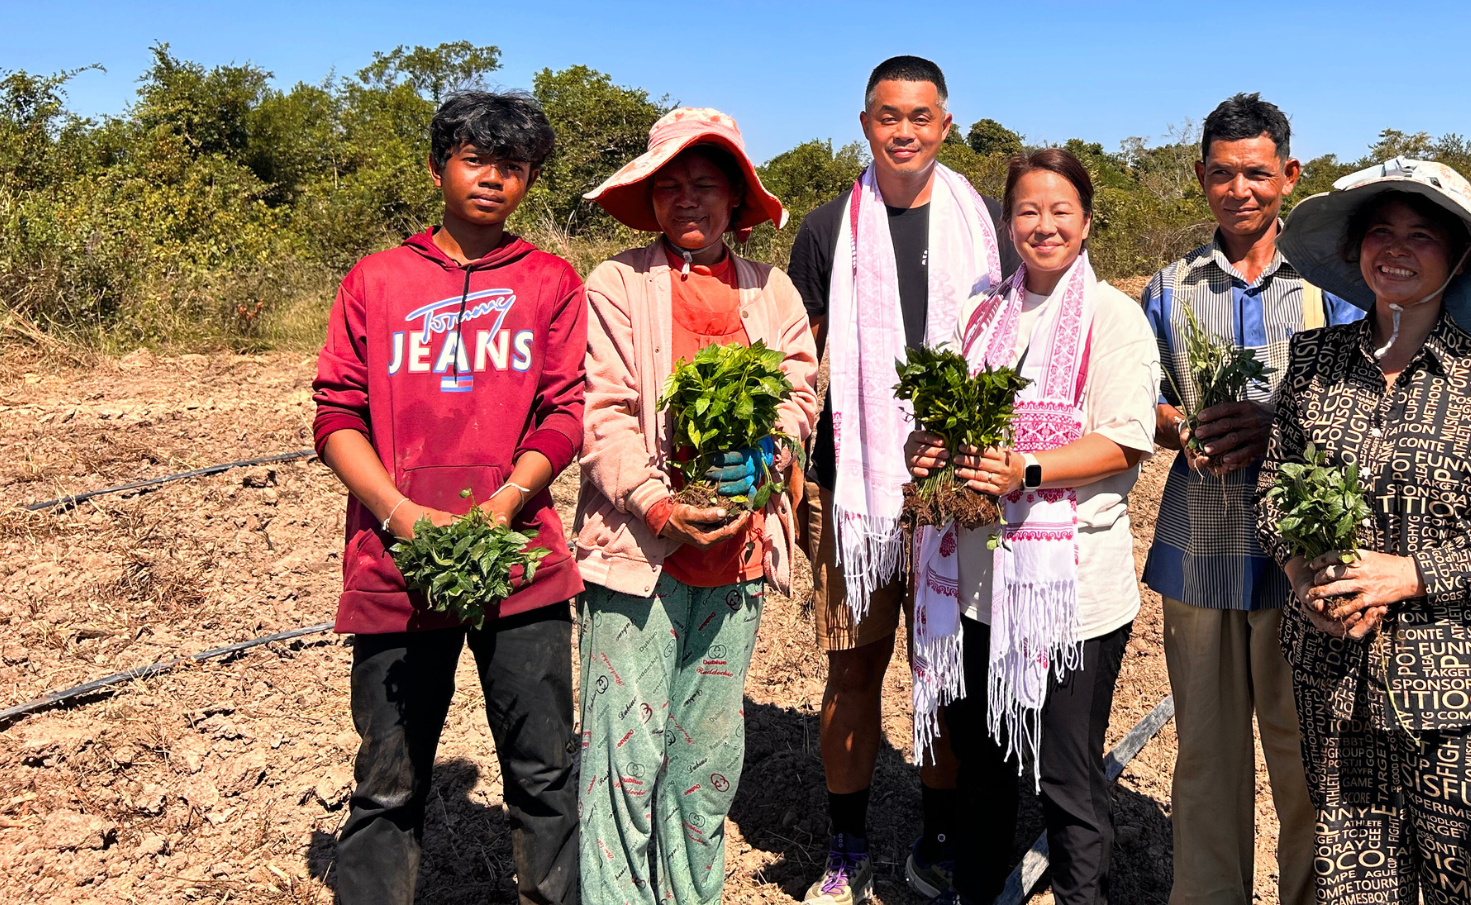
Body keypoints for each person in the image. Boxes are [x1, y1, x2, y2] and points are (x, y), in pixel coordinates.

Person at [1255, 158, 1471, 905]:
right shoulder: (1315, 363)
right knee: (1354, 886)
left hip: (1466, 692)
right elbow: (1274, 491)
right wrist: (1305, 581)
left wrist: (1410, 574)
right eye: (1381, 231)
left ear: (1458, 259)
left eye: (1422, 235)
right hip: (1336, 681)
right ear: (1357, 248)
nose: (1396, 248)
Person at [312, 91, 582, 905]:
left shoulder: (550, 282)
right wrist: (400, 514)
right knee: (387, 781)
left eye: (513, 166)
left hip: (519, 562)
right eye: (475, 160)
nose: (493, 178)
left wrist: (507, 502)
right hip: (396, 567)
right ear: (437, 169)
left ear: (530, 180)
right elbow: (336, 414)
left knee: (544, 773)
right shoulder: (377, 280)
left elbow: (564, 412)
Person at [784, 55, 1021, 903]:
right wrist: (788, 463)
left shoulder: (987, 226)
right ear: (865, 124)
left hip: (956, 490)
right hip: (853, 487)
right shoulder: (827, 229)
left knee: (944, 667)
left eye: (921, 116)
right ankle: (846, 846)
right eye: (889, 116)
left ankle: (940, 840)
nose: (905, 131)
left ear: (945, 125)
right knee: (852, 669)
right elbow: (801, 356)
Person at [572, 107, 819, 905]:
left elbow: (798, 392)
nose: (687, 199)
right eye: (669, 185)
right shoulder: (617, 284)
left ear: (735, 199)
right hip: (636, 558)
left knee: (706, 764)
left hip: (736, 557)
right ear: (649, 198)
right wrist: (655, 504)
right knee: (623, 762)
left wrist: (770, 456)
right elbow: (602, 411)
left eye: (706, 184)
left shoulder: (771, 290)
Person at [904, 149, 1161, 905]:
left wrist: (1029, 470)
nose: (1043, 226)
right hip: (979, 589)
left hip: (1070, 594)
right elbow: (943, 420)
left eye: (1060, 212)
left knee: (1068, 778)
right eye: (1027, 211)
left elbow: (1124, 441)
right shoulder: (980, 312)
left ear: (1086, 223)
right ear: (1007, 222)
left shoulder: (1113, 317)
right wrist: (927, 447)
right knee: (982, 768)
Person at [1141, 93, 1363, 905]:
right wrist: (1181, 426)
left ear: (1290, 175)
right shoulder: (1168, 289)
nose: (1241, 189)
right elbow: (1139, 400)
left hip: (1302, 558)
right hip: (1200, 547)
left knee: (1305, 757)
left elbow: (1363, 403)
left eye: (1258, 173)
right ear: (1201, 177)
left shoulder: (1332, 288)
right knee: (1205, 756)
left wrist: (1279, 428)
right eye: (1224, 174)